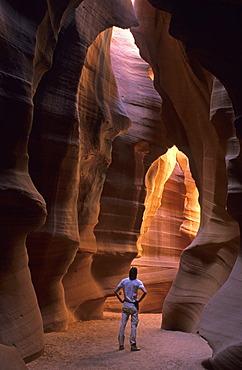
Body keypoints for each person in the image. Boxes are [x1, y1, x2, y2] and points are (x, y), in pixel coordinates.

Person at [114, 267, 147, 351]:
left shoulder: (124, 281)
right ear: (136, 274)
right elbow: (145, 292)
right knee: (133, 325)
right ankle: (133, 344)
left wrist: (120, 299)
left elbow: (115, 291)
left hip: (125, 304)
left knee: (122, 324)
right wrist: (139, 300)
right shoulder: (138, 282)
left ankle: (121, 344)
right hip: (133, 305)